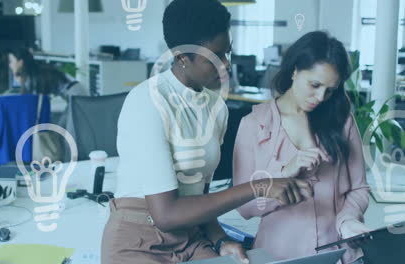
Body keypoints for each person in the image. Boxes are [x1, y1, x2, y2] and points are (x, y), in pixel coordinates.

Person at [100, 1, 313, 263]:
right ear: (182, 58)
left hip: (190, 238)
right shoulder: (147, 101)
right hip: (139, 241)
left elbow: (200, 199)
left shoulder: (216, 107)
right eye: (213, 57)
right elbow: (165, 215)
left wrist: (220, 239)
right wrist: (259, 187)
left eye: (227, 52)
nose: (225, 64)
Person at [233, 31, 370, 264]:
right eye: (315, 85)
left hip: (336, 252)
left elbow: (359, 188)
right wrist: (284, 173)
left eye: (330, 90)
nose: (320, 96)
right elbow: (243, 207)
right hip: (277, 254)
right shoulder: (253, 124)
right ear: (295, 70)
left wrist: (347, 220)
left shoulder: (342, 119)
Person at [8, 48, 89, 98]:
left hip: (77, 95)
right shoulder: (36, 71)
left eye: (11, 61)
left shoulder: (35, 76)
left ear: (20, 62)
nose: (10, 65)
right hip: (76, 92)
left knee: (59, 125)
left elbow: (34, 100)